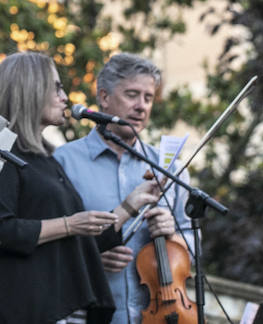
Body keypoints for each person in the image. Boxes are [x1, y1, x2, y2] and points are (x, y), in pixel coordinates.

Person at [0, 52, 158, 324]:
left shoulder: (46, 159)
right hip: (25, 307)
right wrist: (70, 224)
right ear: (30, 90)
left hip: (65, 308)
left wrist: (130, 206)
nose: (65, 97)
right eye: (57, 87)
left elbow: (79, 242)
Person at [54, 53, 193, 324]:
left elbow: (194, 241)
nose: (141, 106)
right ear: (104, 97)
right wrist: (91, 258)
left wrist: (174, 236)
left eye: (148, 98)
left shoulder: (170, 168)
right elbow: (52, 246)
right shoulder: (63, 162)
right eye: (132, 95)